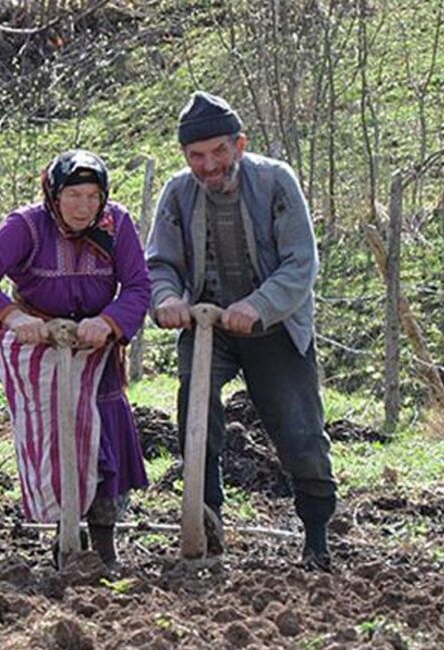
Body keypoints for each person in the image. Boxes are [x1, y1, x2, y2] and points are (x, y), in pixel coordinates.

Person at [145, 91, 336, 571]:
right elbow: (160, 263)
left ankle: (316, 538)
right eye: (196, 156)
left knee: (299, 431)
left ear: (239, 144)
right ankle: (205, 520)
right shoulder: (177, 193)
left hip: (273, 325)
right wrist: (167, 299)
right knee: (195, 414)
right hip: (207, 325)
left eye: (218, 152)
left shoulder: (275, 182)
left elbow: (300, 263)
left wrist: (258, 304)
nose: (208, 165)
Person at [0, 149, 150, 568]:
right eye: (74, 195)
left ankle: (104, 544)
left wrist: (109, 321)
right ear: (54, 195)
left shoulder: (117, 225)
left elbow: (138, 286)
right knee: (57, 440)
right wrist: (13, 316)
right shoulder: (26, 226)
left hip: (96, 349)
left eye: (92, 196)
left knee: (105, 440)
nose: (84, 207)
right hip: (40, 345)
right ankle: (67, 534)